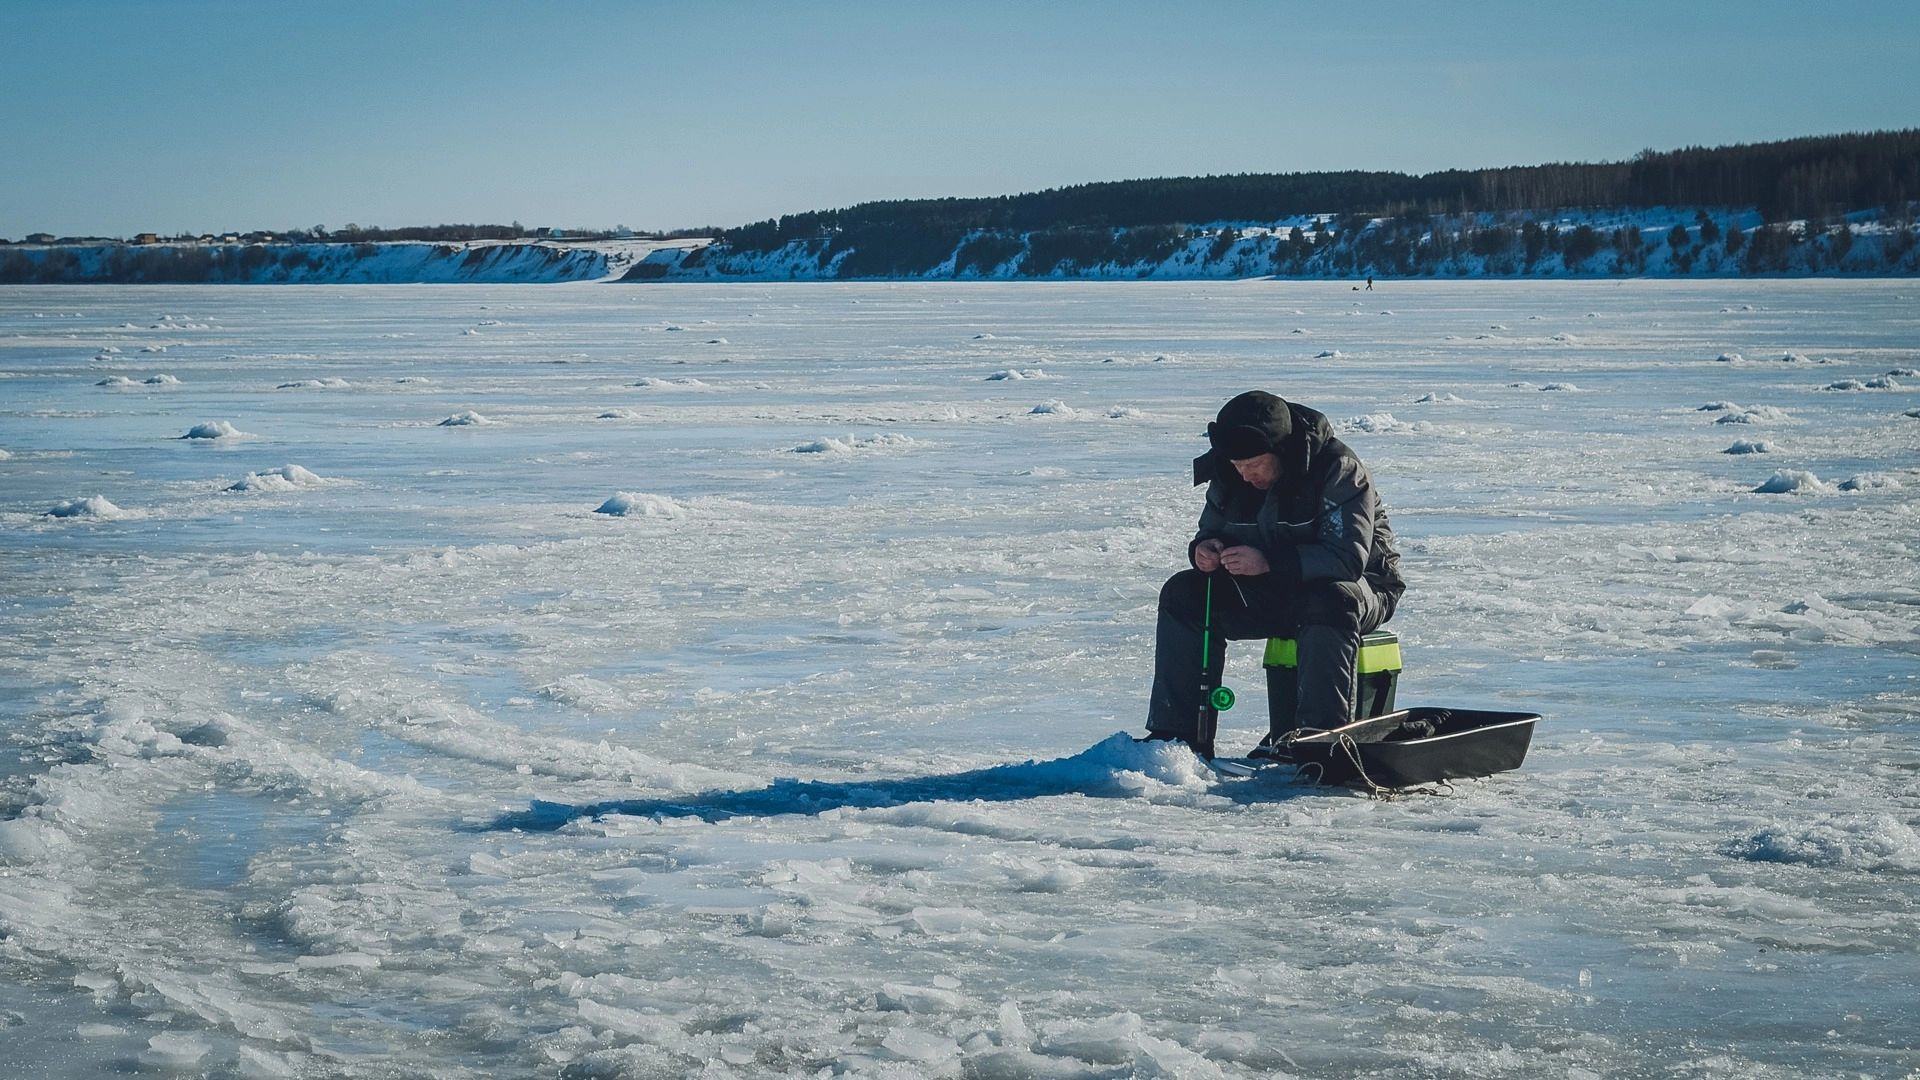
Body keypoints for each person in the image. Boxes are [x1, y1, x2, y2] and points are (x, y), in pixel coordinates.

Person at [1144, 391, 1405, 758]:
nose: (1245, 475)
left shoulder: (1338, 468)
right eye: (1238, 466)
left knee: (1330, 599)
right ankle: (1177, 738)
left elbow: (1347, 559)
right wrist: (1206, 550)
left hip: (1362, 588)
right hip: (1271, 587)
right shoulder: (1230, 471)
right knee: (1184, 593)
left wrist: (1268, 562)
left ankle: (1320, 741)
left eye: (1254, 465)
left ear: (1281, 451)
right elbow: (1211, 528)